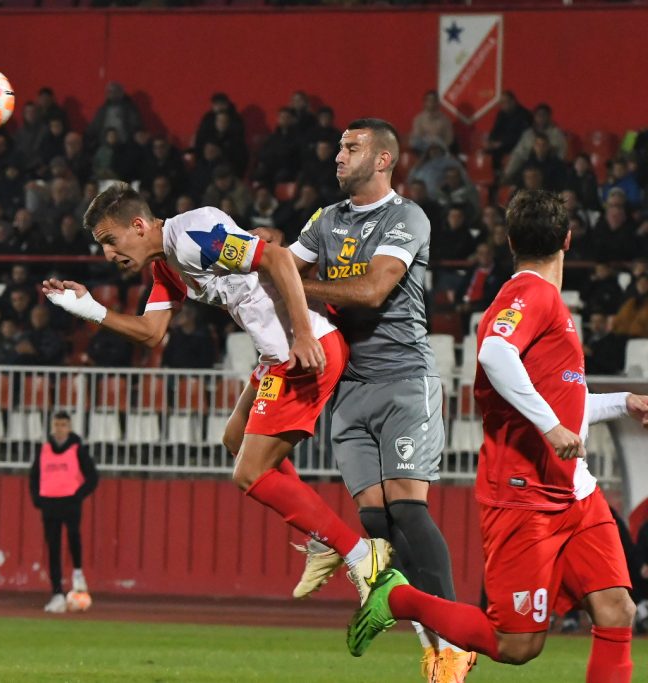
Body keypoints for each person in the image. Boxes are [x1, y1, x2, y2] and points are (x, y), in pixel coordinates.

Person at [348, 189, 648, 683]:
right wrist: (550, 427)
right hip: (525, 498)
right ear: (568, 241)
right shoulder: (531, 293)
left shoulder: (535, 300)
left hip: (575, 493)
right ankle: (396, 597)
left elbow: (561, 402)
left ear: (509, 240)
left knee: (617, 610)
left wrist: (621, 403)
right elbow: (493, 354)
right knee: (516, 645)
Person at [42, 183, 391, 604]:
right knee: (234, 439)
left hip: (304, 351)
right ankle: (321, 538)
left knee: (249, 473)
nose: (108, 254)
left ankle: (358, 553)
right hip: (276, 356)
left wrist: (302, 335)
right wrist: (89, 309)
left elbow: (277, 258)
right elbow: (152, 334)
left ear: (138, 225)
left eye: (110, 241)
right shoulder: (167, 264)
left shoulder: (194, 237)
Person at [289, 118, 472, 680]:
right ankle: (431, 643)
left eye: (352, 147)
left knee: (407, 509)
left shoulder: (406, 216)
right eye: (340, 147)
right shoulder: (326, 220)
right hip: (347, 388)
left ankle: (456, 640)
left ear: (385, 159)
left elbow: (371, 290)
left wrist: (291, 287)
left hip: (402, 380)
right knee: (376, 526)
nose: (338, 155)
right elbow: (275, 270)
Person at [29, 412, 99, 613]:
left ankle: (78, 572)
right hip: (49, 504)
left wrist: (78, 495)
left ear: (69, 427)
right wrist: (37, 499)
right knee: (53, 547)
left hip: (70, 502)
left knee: (74, 536)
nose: (60, 428)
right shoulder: (44, 450)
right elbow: (34, 477)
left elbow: (92, 477)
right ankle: (57, 593)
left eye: (63, 425)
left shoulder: (78, 449)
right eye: (57, 424)